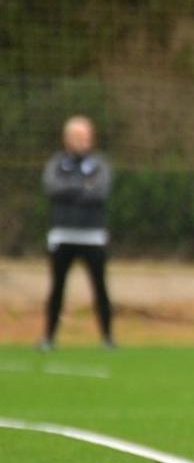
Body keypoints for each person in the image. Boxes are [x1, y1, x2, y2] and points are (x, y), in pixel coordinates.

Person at [39, 115, 116, 350]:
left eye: (88, 135)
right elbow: (52, 188)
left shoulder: (99, 164)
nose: (85, 140)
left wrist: (71, 189)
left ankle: (107, 338)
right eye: (79, 136)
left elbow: (100, 192)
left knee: (100, 288)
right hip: (63, 235)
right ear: (67, 138)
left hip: (93, 237)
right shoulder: (57, 163)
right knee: (57, 289)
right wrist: (83, 187)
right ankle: (49, 338)